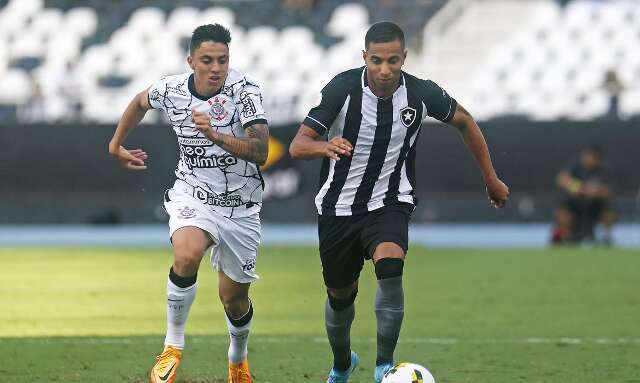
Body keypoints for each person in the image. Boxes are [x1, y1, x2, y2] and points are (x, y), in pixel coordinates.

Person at [288, 21, 509, 383]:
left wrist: (490, 178)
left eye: (393, 60)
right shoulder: (343, 89)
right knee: (340, 297)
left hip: (391, 200)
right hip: (338, 208)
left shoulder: (421, 94)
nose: (385, 70)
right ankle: (343, 364)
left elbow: (465, 121)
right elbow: (298, 145)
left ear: (404, 58)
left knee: (390, 267)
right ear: (365, 57)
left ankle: (384, 368)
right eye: (376, 60)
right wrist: (324, 146)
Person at [108, 24, 269, 383]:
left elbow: (260, 151)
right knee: (186, 254)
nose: (216, 68)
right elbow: (138, 102)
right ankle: (172, 346)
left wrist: (214, 134)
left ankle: (237, 361)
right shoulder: (172, 89)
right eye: (207, 60)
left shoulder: (246, 92)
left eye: (223, 60)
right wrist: (115, 144)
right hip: (192, 194)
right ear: (191, 61)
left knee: (234, 299)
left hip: (241, 207)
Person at [551, 144, 615, 245]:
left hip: (595, 206)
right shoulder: (575, 167)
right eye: (586, 155)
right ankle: (564, 237)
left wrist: (595, 191)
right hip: (574, 205)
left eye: (590, 156)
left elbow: (608, 190)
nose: (587, 158)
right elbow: (561, 180)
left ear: (597, 158)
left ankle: (606, 238)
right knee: (562, 214)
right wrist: (580, 188)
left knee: (609, 214)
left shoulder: (603, 171)